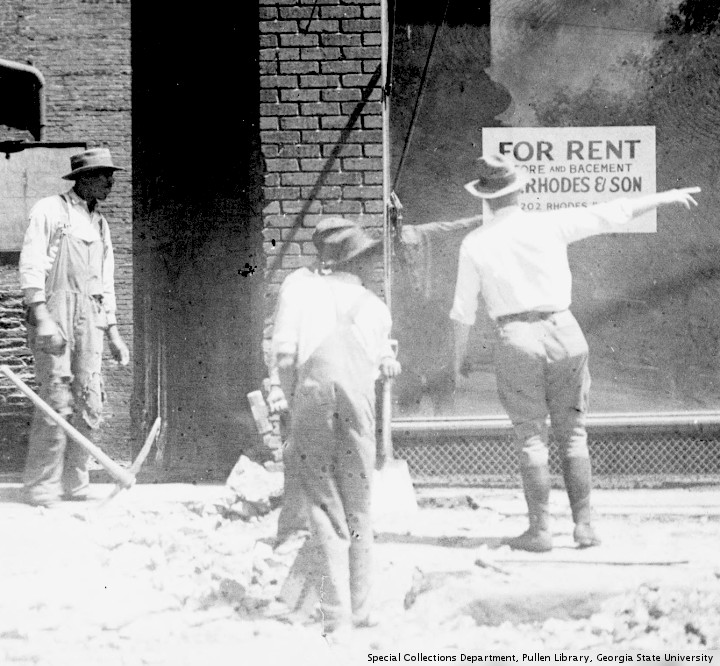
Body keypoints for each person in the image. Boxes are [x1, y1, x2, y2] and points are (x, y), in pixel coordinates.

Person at [450, 153, 700, 552]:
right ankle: (584, 526)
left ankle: (540, 531)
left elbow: (463, 311)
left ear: (485, 197)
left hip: (516, 336)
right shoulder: (549, 223)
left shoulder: (475, 242)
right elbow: (612, 212)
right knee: (573, 434)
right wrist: (665, 196)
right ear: (519, 191)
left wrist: (457, 359)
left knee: (531, 438)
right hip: (565, 330)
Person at [269, 217, 401, 636]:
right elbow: (381, 365)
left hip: (313, 401)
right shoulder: (376, 308)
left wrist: (290, 402)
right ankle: (362, 608)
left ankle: (335, 613)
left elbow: (285, 358)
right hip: (359, 404)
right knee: (359, 504)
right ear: (360, 262)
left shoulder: (299, 292)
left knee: (325, 506)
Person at [18, 147, 130, 507]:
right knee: (56, 400)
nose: (110, 182)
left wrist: (113, 333)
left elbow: (105, 283)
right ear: (84, 178)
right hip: (56, 313)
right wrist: (41, 316)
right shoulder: (50, 210)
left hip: (91, 319)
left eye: (111, 175)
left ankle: (75, 483)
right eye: (104, 175)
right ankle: (42, 487)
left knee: (89, 398)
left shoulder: (100, 224)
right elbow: (31, 265)